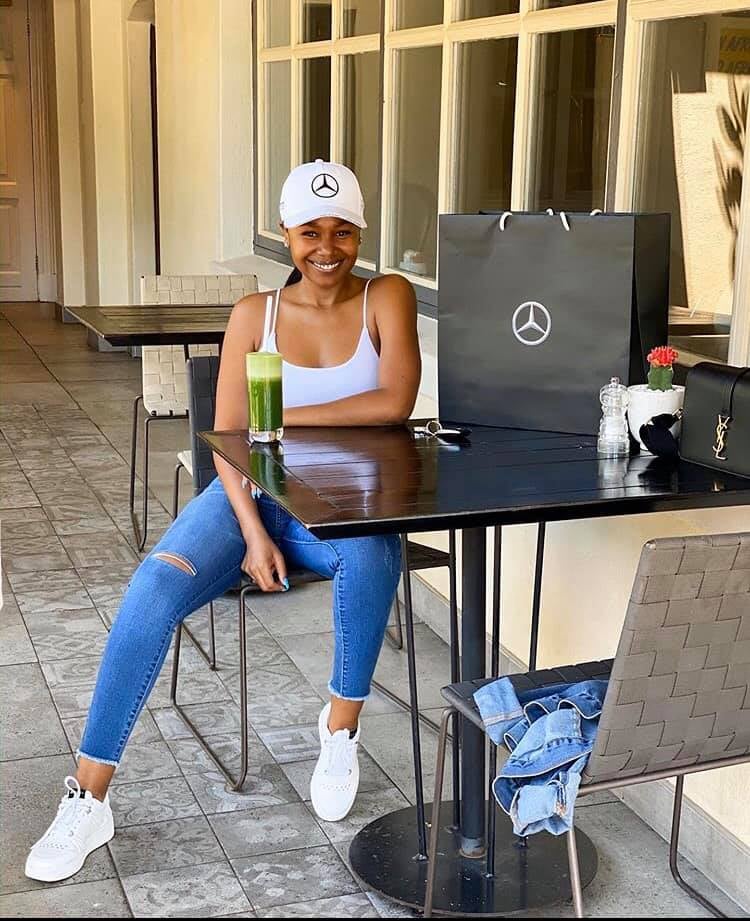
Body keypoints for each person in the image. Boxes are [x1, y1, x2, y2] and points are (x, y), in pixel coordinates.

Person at [25, 159, 421, 883]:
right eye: (309, 232)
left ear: (360, 234)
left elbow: (393, 402)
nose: (326, 247)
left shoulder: (386, 297)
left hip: (342, 506)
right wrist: (254, 530)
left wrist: (280, 419)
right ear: (285, 235)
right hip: (250, 499)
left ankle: (340, 728)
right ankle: (89, 796)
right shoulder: (254, 315)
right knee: (152, 589)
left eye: (341, 231)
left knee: (373, 554)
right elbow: (229, 440)